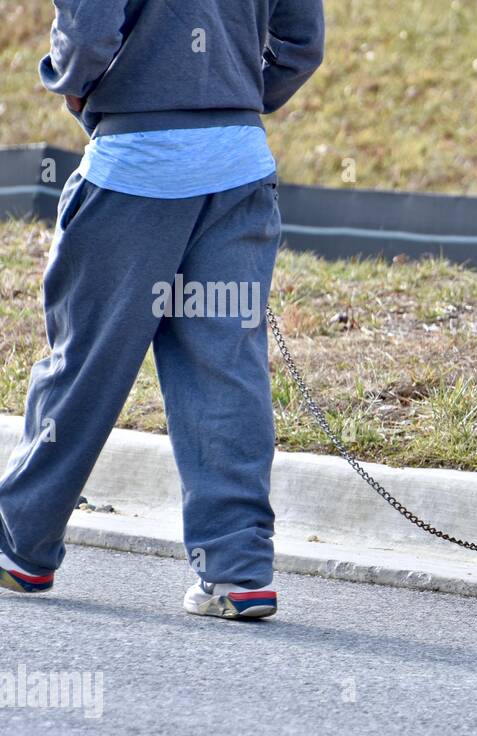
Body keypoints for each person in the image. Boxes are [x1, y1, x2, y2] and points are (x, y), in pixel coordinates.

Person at [0, 1, 325, 619]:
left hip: (134, 165)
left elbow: (88, 30)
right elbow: (301, 42)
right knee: (224, 371)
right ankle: (237, 571)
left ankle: (21, 547)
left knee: (85, 364)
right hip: (239, 171)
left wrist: (74, 87)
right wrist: (228, 98)